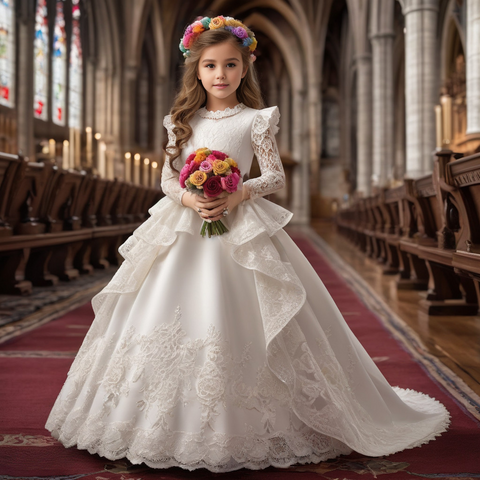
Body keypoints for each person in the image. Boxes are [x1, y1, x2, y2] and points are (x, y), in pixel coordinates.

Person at [45, 15, 450, 473]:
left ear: (245, 67)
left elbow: (274, 176)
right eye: (211, 65)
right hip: (185, 224)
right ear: (196, 70)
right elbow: (164, 177)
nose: (221, 74)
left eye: (231, 65)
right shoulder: (181, 121)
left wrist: (239, 192)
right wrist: (188, 197)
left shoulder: (257, 120)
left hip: (241, 223)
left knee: (249, 309)